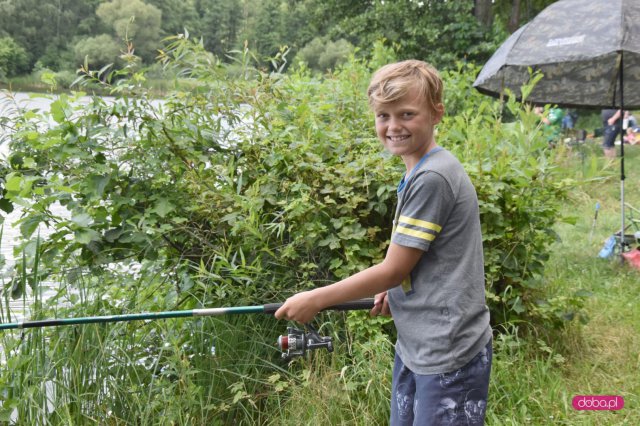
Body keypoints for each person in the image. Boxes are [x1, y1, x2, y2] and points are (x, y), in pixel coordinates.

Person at [274, 60, 492, 425]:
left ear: (437, 113)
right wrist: (398, 290)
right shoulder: (418, 169)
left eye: (406, 114)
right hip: (419, 344)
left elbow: (393, 269)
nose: (393, 126)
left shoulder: (433, 177)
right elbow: (421, 259)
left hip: (447, 350)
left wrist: (316, 299)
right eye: (383, 116)